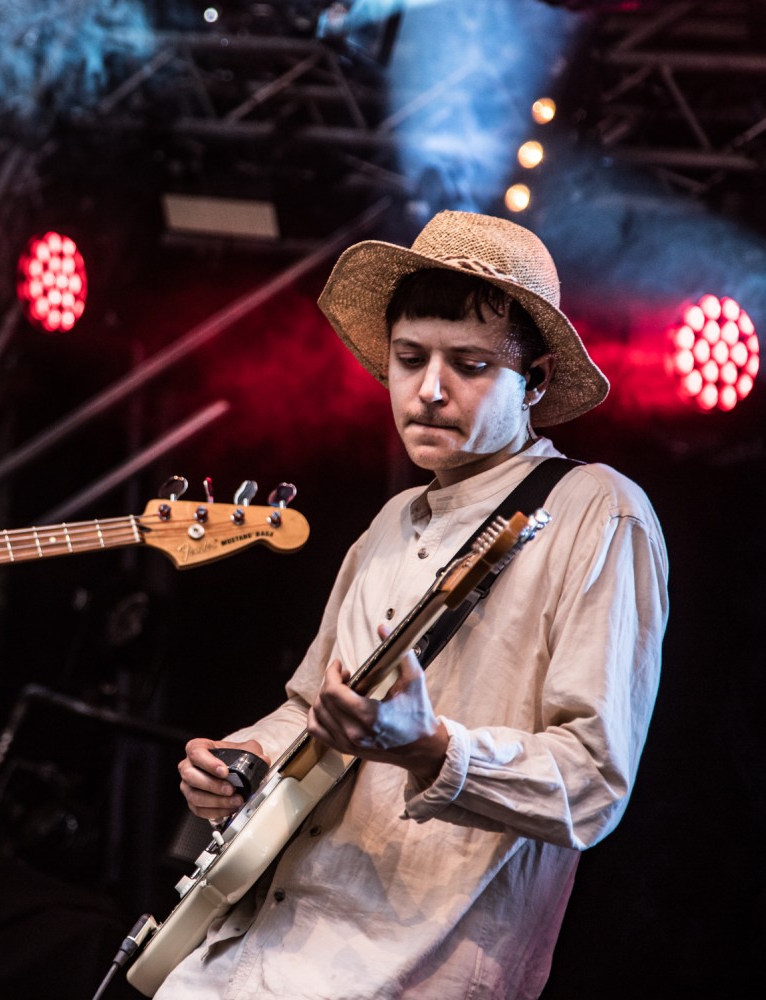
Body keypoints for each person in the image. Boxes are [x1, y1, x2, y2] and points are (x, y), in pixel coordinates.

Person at [162, 211, 669, 999]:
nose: (429, 389)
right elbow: (310, 705)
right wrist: (246, 759)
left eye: (469, 364)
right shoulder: (390, 524)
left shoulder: (598, 510)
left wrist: (432, 749)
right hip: (254, 949)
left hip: (409, 969)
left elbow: (593, 780)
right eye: (409, 358)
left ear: (533, 381)